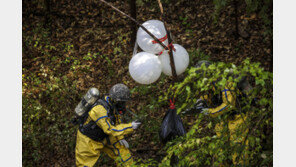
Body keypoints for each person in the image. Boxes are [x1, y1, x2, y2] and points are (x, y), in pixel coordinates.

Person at [183, 60, 253, 165]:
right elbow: (212, 93)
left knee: (238, 145)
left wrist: (210, 112)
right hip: (223, 116)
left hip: (238, 115)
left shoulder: (225, 81)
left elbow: (228, 105)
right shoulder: (211, 81)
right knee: (220, 143)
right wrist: (202, 101)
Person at [75, 83, 141, 167]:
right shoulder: (100, 110)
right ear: (116, 100)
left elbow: (116, 122)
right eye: (122, 102)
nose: (123, 105)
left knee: (123, 152)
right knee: (84, 165)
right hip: (88, 140)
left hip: (104, 136)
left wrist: (120, 138)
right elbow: (110, 129)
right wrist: (130, 126)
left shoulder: (112, 106)